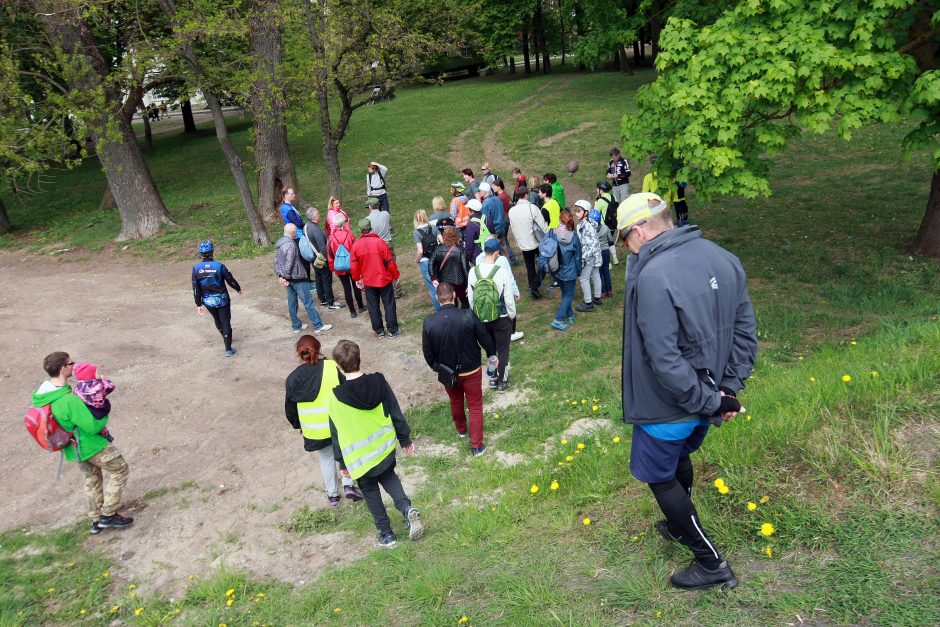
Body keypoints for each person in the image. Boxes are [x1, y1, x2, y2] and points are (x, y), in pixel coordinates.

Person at [619, 197, 757, 591]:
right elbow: (746, 331)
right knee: (679, 457)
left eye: (626, 240)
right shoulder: (721, 255)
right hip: (707, 397)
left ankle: (710, 561)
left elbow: (664, 360)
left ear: (640, 232)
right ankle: (679, 528)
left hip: (669, 404)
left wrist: (712, 400)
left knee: (658, 477)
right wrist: (728, 387)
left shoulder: (653, 276)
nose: (628, 249)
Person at [328, 340, 423, 548]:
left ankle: (387, 534)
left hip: (360, 458)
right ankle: (407, 509)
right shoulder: (379, 381)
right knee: (389, 477)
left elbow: (335, 433)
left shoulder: (334, 398)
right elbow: (395, 410)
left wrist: (342, 463)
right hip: (385, 447)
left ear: (338, 367)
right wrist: (405, 439)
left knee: (370, 491)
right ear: (359, 359)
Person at [32, 352, 133, 534]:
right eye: (71, 363)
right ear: (63, 369)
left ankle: (95, 520)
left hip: (73, 449)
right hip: (91, 445)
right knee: (120, 470)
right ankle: (108, 514)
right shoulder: (68, 400)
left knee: (92, 480)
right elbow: (92, 426)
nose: (73, 366)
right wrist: (104, 416)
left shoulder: (45, 396)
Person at [284, 334, 363, 507]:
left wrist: (299, 426)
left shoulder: (292, 379)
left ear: (298, 354)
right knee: (345, 452)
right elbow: (346, 389)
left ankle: (333, 496)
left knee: (326, 458)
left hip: (314, 430)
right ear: (319, 349)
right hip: (337, 422)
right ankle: (348, 484)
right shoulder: (331, 367)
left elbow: (290, 409)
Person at [422, 282, 498, 456]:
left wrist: (437, 367)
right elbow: (485, 338)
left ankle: (461, 430)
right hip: (471, 370)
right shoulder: (468, 316)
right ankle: (477, 446)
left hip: (448, 372)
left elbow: (428, 352)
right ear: (454, 295)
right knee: (475, 406)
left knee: (455, 401)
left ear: (437, 297)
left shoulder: (430, 323)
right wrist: (492, 355)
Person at [468, 239, 516, 391]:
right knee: (503, 349)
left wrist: (478, 314)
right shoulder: (501, 271)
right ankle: (503, 381)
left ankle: (493, 377)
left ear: (484, 252)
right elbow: (508, 297)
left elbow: (471, 298)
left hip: (481, 318)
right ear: (496, 253)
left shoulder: (473, 271)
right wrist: (511, 315)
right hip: (501, 317)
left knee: (490, 350)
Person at [275, 224, 333, 334]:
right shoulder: (291, 244)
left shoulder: (279, 243)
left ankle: (296, 326)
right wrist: (285, 276)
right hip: (297, 278)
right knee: (308, 302)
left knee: (292, 302)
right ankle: (318, 325)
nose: (297, 232)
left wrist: (281, 276)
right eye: (296, 230)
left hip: (288, 279)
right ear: (292, 232)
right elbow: (289, 262)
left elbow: (277, 262)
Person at [350, 218, 401, 338]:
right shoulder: (379, 242)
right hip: (384, 279)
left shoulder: (356, 245)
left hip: (369, 281)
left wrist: (357, 278)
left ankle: (379, 331)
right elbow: (390, 261)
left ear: (360, 230)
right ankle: (392, 330)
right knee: (389, 304)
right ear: (371, 228)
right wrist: (395, 275)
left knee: (373, 306)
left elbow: (354, 265)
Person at [192, 240, 242, 357]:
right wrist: (238, 288)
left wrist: (198, 304)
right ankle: (228, 348)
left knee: (217, 319)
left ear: (201, 254)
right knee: (225, 321)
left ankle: (225, 336)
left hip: (208, 301)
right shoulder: (219, 266)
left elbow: (195, 288)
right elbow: (230, 280)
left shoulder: (196, 269)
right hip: (222, 300)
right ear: (212, 251)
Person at [508, 192, 548, 299]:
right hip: (536, 241)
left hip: (523, 243)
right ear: (526, 195)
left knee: (530, 266)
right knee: (545, 264)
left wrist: (518, 241)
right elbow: (542, 225)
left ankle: (533, 287)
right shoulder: (532, 208)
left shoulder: (512, 211)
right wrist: (547, 237)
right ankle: (535, 285)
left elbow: (513, 228)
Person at [327, 214, 365, 318]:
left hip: (339, 267)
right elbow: (356, 250)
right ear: (343, 223)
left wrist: (333, 269)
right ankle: (361, 307)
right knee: (356, 285)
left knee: (346, 288)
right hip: (352, 265)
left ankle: (352, 311)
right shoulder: (349, 235)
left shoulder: (331, 238)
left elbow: (330, 255)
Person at [305, 208, 343, 311]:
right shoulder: (316, 230)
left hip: (314, 258)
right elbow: (323, 248)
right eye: (318, 214)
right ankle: (331, 302)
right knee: (326, 280)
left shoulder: (307, 226)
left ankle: (322, 299)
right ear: (314, 217)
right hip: (321, 259)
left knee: (318, 278)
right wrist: (328, 261)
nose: (320, 215)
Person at [550, 209, 581, 331]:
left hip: (557, 268)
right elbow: (578, 256)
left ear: (560, 220)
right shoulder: (574, 237)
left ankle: (570, 315)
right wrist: (579, 271)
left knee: (565, 294)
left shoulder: (554, 233)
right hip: (570, 270)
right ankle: (558, 319)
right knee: (569, 295)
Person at [430, 226, 470, 309]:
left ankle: (454, 315)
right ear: (456, 236)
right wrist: (468, 284)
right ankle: (462, 315)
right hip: (460, 282)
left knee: (450, 303)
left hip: (445, 282)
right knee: (465, 301)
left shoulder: (438, 249)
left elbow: (431, 263)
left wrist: (433, 278)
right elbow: (466, 269)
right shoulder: (461, 250)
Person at [574, 200, 603, 312]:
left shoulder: (585, 226)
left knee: (583, 278)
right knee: (595, 274)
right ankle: (597, 297)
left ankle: (588, 303)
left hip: (590, 255)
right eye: (576, 210)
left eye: (579, 211)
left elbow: (591, 243)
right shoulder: (589, 223)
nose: (576, 213)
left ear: (586, 212)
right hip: (595, 254)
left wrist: (584, 257)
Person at [413, 209, 442, 311]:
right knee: (441, 282)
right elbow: (442, 242)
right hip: (437, 258)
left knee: (432, 286)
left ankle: (439, 310)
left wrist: (417, 260)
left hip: (425, 261)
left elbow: (420, 251)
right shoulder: (433, 228)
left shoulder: (416, 233)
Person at [491, 178, 517, 264]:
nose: (492, 188)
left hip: (503, 219)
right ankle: (512, 257)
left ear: (499, 187)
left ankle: (511, 258)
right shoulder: (505, 194)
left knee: (503, 240)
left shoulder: (499, 198)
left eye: (494, 186)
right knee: (504, 239)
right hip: (506, 218)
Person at [595, 181, 620, 266]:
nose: (596, 190)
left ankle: (608, 263)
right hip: (613, 225)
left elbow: (595, 214)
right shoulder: (614, 197)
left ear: (601, 190)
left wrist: (596, 202)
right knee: (610, 241)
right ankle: (615, 258)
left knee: (603, 245)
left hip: (604, 226)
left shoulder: (600, 201)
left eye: (597, 188)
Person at [462, 198, 488, 264]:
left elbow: (469, 244)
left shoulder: (471, 224)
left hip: (477, 255)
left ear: (471, 210)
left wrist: (468, 258)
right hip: (490, 252)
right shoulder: (488, 218)